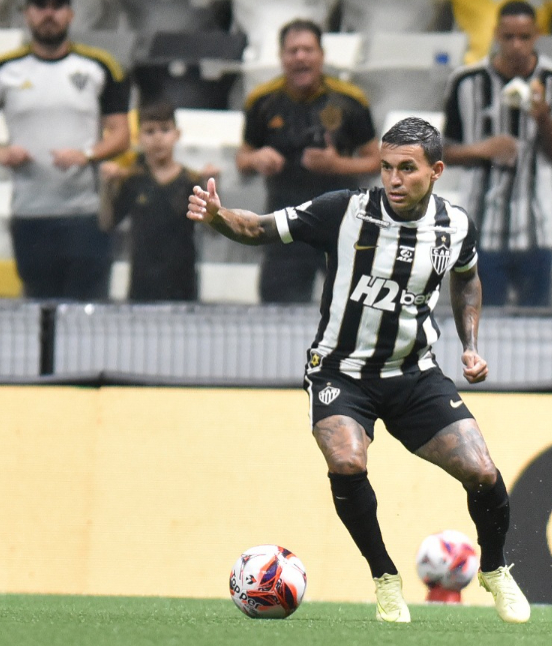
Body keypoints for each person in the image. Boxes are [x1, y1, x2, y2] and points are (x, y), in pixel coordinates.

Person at [187, 117, 530, 625]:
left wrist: (470, 345)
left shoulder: (456, 225)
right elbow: (260, 227)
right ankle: (385, 578)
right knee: (347, 461)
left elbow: (467, 279)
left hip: (414, 373)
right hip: (340, 374)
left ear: (435, 171)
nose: (393, 179)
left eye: (407, 169)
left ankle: (495, 570)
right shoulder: (343, 212)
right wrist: (218, 217)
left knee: (482, 471)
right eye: (387, 167)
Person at [0, 0, 130, 300]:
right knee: (39, 313)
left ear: (71, 14)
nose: (48, 14)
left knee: (87, 315)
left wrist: (88, 155)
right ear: (26, 13)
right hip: (30, 215)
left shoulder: (98, 68)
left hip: (86, 215)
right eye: (41, 7)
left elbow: (121, 135)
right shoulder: (4, 71)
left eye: (57, 6)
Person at [443, 0, 552, 307]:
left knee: (535, 326)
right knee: (484, 325)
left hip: (537, 228)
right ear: (495, 34)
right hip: (481, 228)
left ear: (537, 35)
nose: (516, 46)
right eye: (508, 37)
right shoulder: (465, 81)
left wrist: (543, 119)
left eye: (524, 37)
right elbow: (443, 152)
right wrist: (482, 149)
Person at [237, 18, 379, 304]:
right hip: (284, 223)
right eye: (293, 51)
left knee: (352, 310)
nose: (300, 57)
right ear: (281, 58)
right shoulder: (262, 102)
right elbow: (242, 158)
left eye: (308, 50)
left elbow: (376, 161)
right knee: (278, 309)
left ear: (321, 56)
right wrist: (257, 159)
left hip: (341, 222)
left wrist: (337, 166)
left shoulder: (350, 101)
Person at [100, 101, 217, 302]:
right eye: (150, 131)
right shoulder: (132, 181)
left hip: (183, 283)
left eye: (165, 130)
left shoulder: (191, 181)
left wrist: (212, 192)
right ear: (138, 138)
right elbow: (107, 223)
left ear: (177, 135)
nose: (158, 138)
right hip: (142, 283)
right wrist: (107, 187)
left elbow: (212, 231)